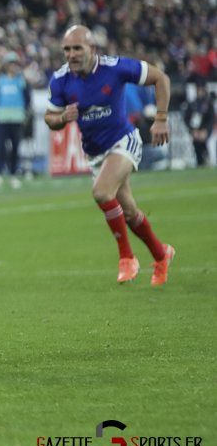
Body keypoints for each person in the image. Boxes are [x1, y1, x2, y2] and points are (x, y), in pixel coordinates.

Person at [45, 25, 175, 285]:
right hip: (96, 153)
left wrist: (160, 119)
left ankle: (127, 258)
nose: (71, 54)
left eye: (77, 48)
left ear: (92, 49)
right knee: (129, 212)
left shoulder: (116, 67)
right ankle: (162, 255)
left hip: (123, 141)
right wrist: (63, 118)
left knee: (102, 192)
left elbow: (161, 78)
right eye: (67, 49)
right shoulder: (60, 79)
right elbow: (50, 118)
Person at [0, 51, 31, 188]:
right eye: (10, 64)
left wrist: (25, 116)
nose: (12, 66)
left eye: (14, 64)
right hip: (1, 119)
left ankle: (13, 174)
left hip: (17, 119)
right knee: (0, 147)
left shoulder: (21, 81)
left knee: (15, 148)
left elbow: (28, 100)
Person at [184, 82, 215, 167]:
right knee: (197, 148)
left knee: (206, 145)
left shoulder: (208, 104)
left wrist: (206, 130)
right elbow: (187, 118)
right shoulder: (192, 104)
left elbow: (211, 119)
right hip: (195, 131)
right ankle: (199, 162)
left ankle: (208, 159)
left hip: (206, 131)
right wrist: (192, 130)